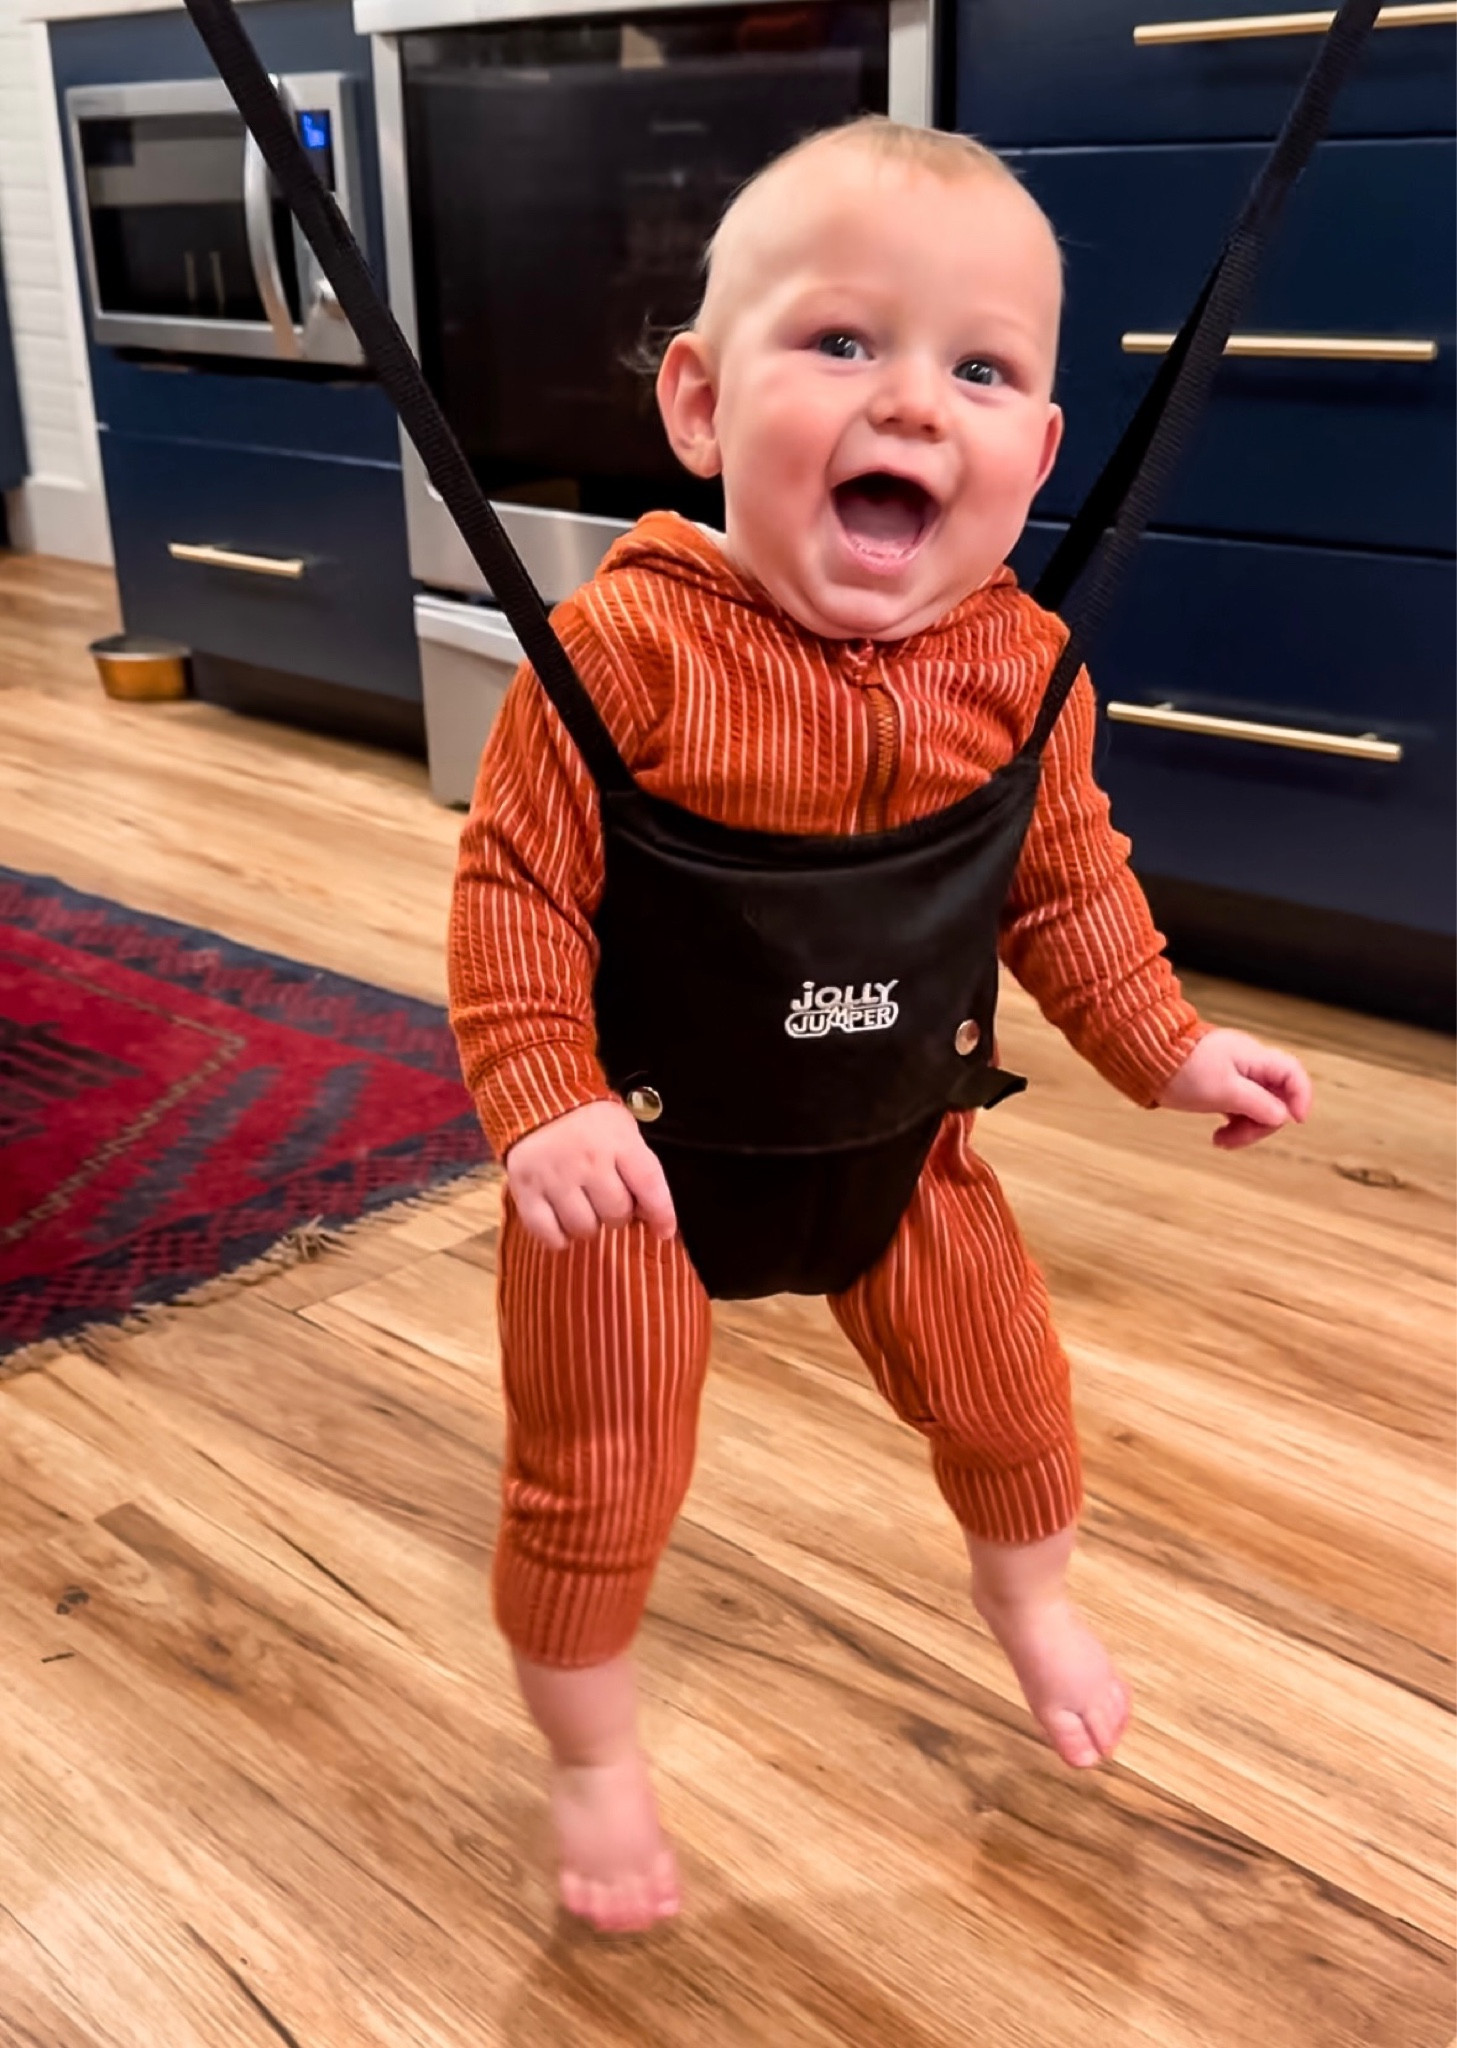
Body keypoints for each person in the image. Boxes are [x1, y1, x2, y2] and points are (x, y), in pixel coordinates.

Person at [447, 116, 1312, 1936]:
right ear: (696, 402)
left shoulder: (1022, 669)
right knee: (595, 1481)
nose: (914, 404)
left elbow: (1063, 883)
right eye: (842, 343)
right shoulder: (622, 656)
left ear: (1043, 452)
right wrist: (542, 1101)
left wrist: (1162, 1047)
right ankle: (593, 1760)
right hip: (639, 1179)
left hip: (897, 1147)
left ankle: (1030, 1600)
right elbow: (515, 893)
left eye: (979, 369)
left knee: (1011, 1403)